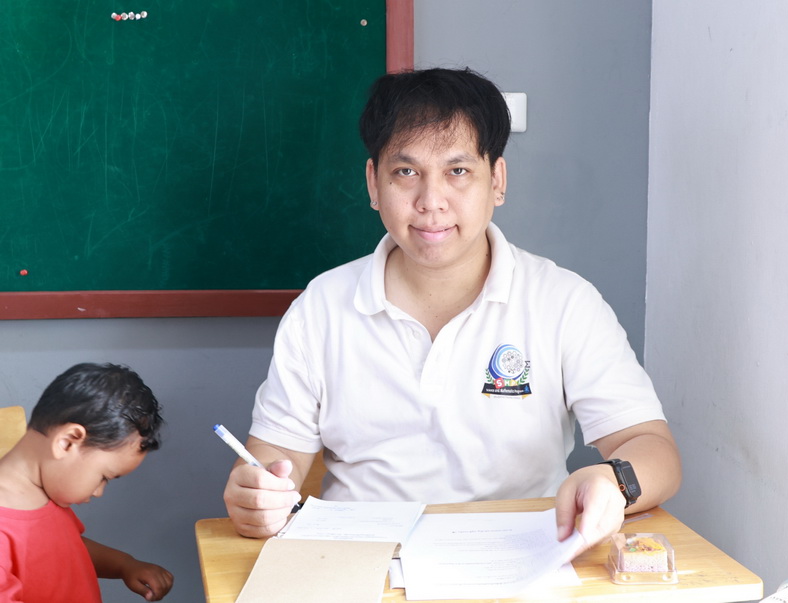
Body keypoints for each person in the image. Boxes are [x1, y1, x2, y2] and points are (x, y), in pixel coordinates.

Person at [224, 67, 682, 551]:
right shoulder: (322, 306)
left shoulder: (564, 302)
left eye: (457, 172)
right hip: (358, 558)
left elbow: (654, 449)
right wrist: (258, 494)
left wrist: (613, 482)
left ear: (497, 180)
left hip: (519, 556)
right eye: (406, 172)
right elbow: (274, 453)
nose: (431, 201)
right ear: (373, 183)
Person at [0, 363, 173, 602]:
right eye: (104, 477)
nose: (99, 491)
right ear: (68, 442)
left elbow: (66, 548)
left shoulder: (45, 489)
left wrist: (124, 565)